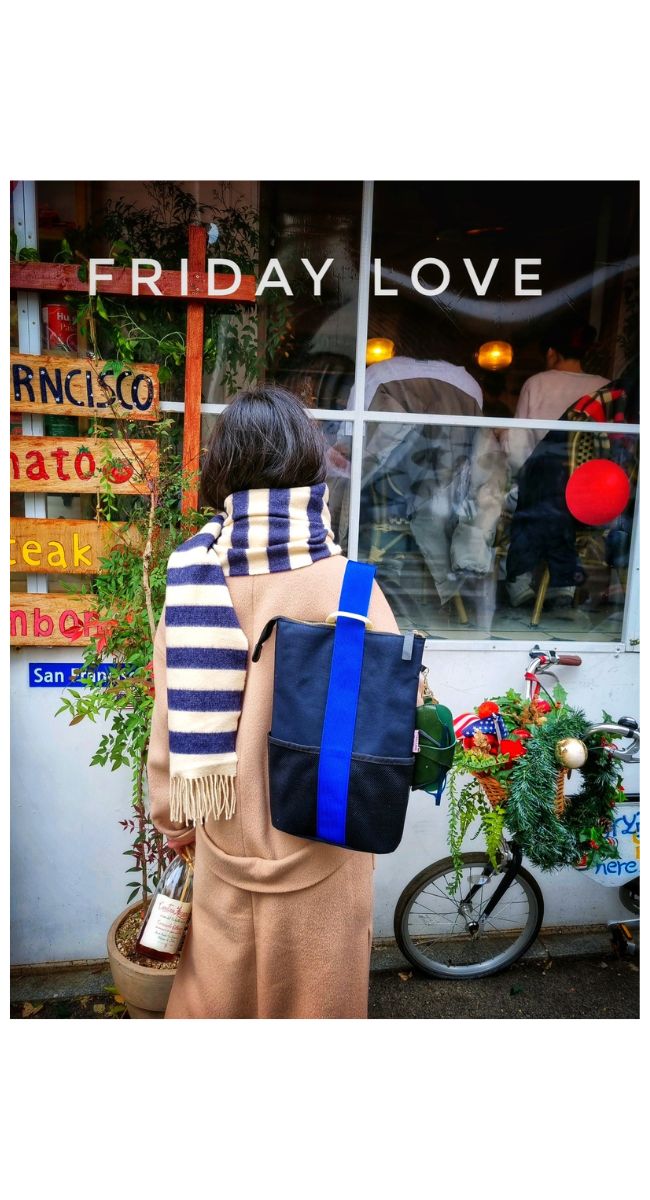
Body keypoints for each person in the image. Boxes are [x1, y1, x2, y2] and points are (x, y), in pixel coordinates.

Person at [146, 386, 405, 1019]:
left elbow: (168, 727)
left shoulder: (192, 581)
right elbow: (397, 726)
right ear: (310, 464)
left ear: (223, 469)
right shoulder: (350, 586)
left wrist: (176, 824)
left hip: (222, 849)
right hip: (327, 854)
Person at [504, 320, 609, 608]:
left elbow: (518, 447)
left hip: (542, 492)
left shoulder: (537, 383)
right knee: (554, 499)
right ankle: (562, 584)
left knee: (517, 498)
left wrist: (516, 474)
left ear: (552, 353)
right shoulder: (603, 387)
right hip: (593, 497)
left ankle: (520, 577)